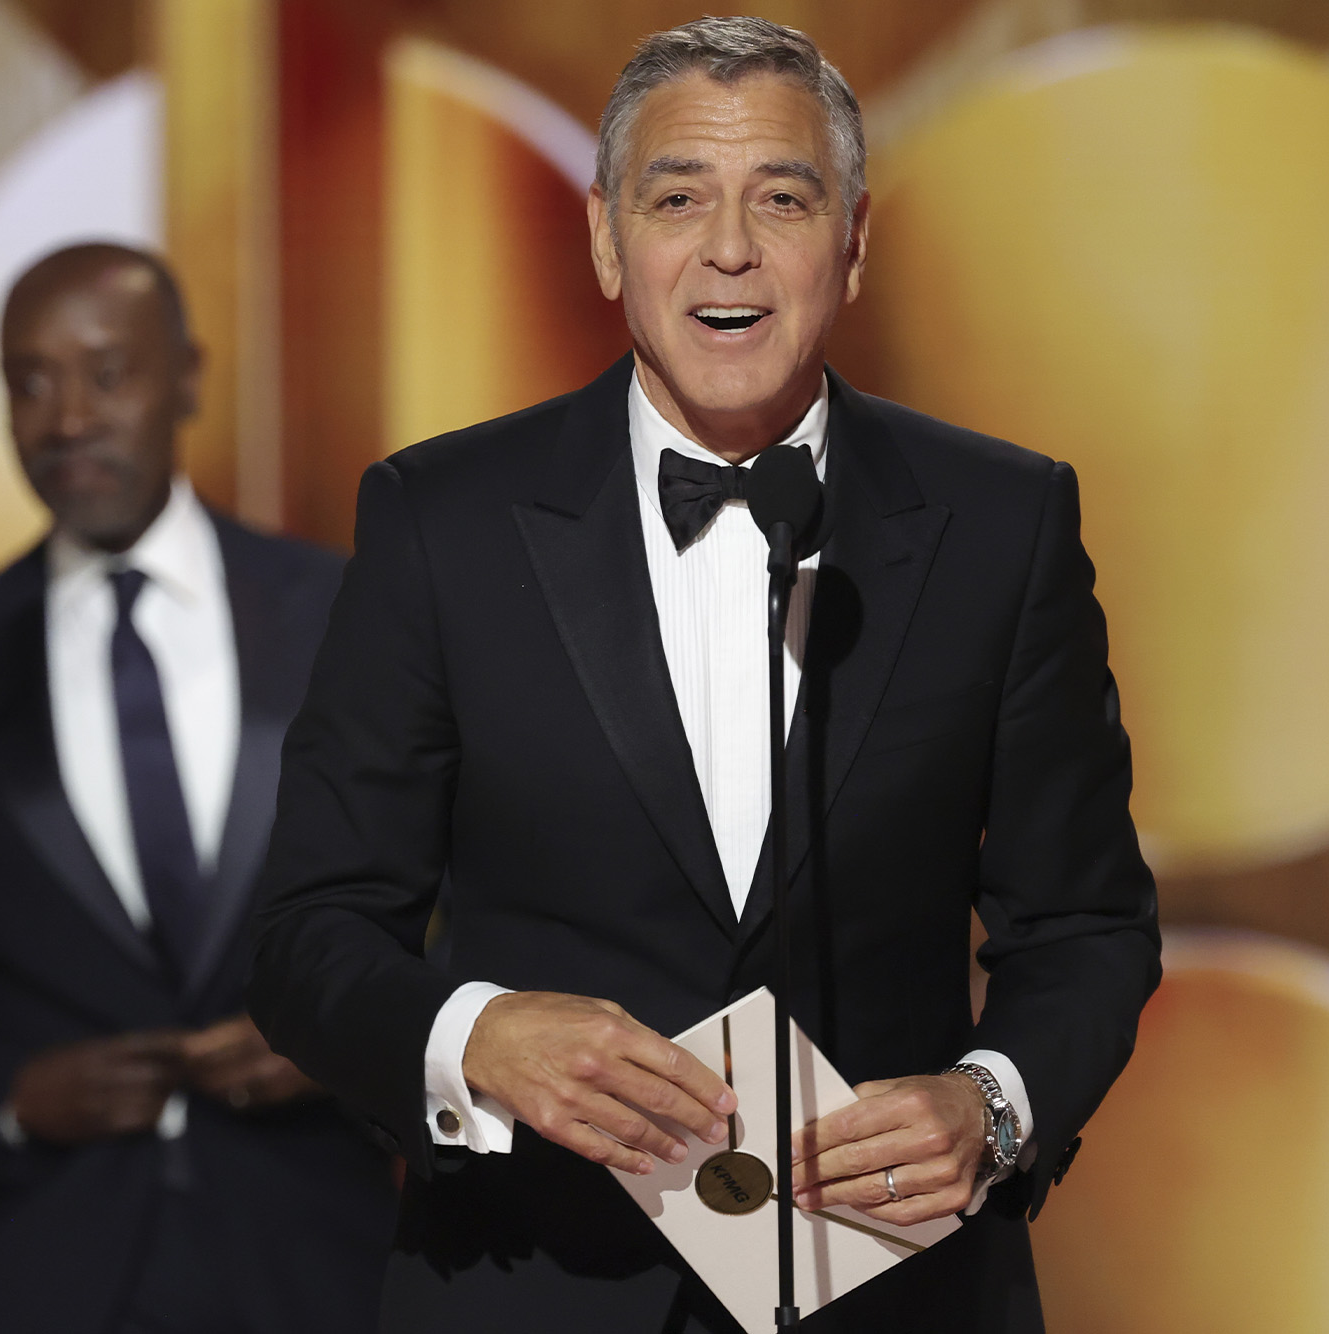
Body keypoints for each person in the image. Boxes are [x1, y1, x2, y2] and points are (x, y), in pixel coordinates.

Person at [250, 17, 1159, 1332]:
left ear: (852, 240)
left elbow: (1084, 926)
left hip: (895, 1293)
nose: (729, 248)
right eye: (679, 198)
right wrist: (476, 1036)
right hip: (531, 1288)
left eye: (780, 199)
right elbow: (308, 936)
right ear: (609, 240)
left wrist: (994, 1102)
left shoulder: (1001, 524)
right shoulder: (440, 518)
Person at [0, 243, 395, 1334]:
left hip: (318, 1261)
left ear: (185, 376)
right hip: (39, 1271)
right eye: (29, 381)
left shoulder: (347, 612)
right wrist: (0, 1092)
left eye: (105, 371)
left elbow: (484, 901)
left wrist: (351, 1033)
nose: (67, 416)